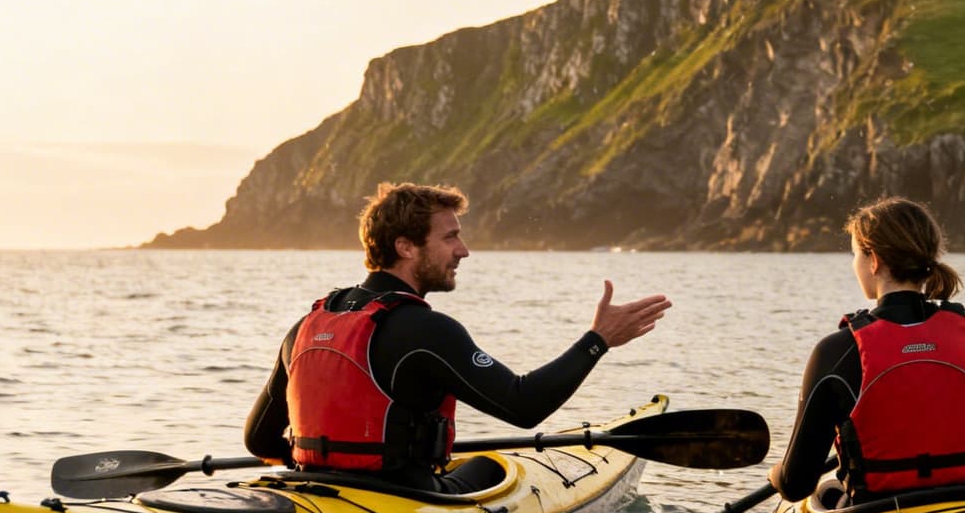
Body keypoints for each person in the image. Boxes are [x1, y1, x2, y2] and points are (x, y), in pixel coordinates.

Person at [244, 181, 671, 494]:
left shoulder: (306, 326)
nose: (463, 250)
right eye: (450, 237)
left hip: (314, 490)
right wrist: (598, 340)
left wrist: (330, 464)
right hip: (405, 500)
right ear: (406, 247)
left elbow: (258, 440)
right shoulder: (424, 330)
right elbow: (524, 405)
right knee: (489, 468)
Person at [768, 196, 965, 507]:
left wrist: (775, 473)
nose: (854, 265)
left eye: (855, 255)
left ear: (874, 260)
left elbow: (796, 485)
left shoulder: (835, 352)